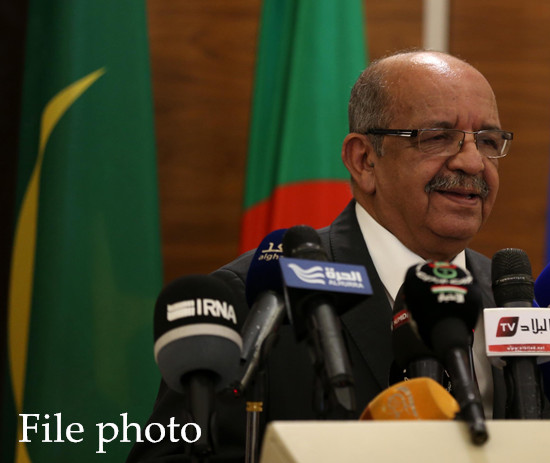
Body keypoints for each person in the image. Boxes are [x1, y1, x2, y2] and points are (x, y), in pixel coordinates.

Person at [128, 50, 514, 462]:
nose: (473, 162)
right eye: (437, 137)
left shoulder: (513, 299)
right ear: (364, 160)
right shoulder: (257, 301)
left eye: (488, 141)